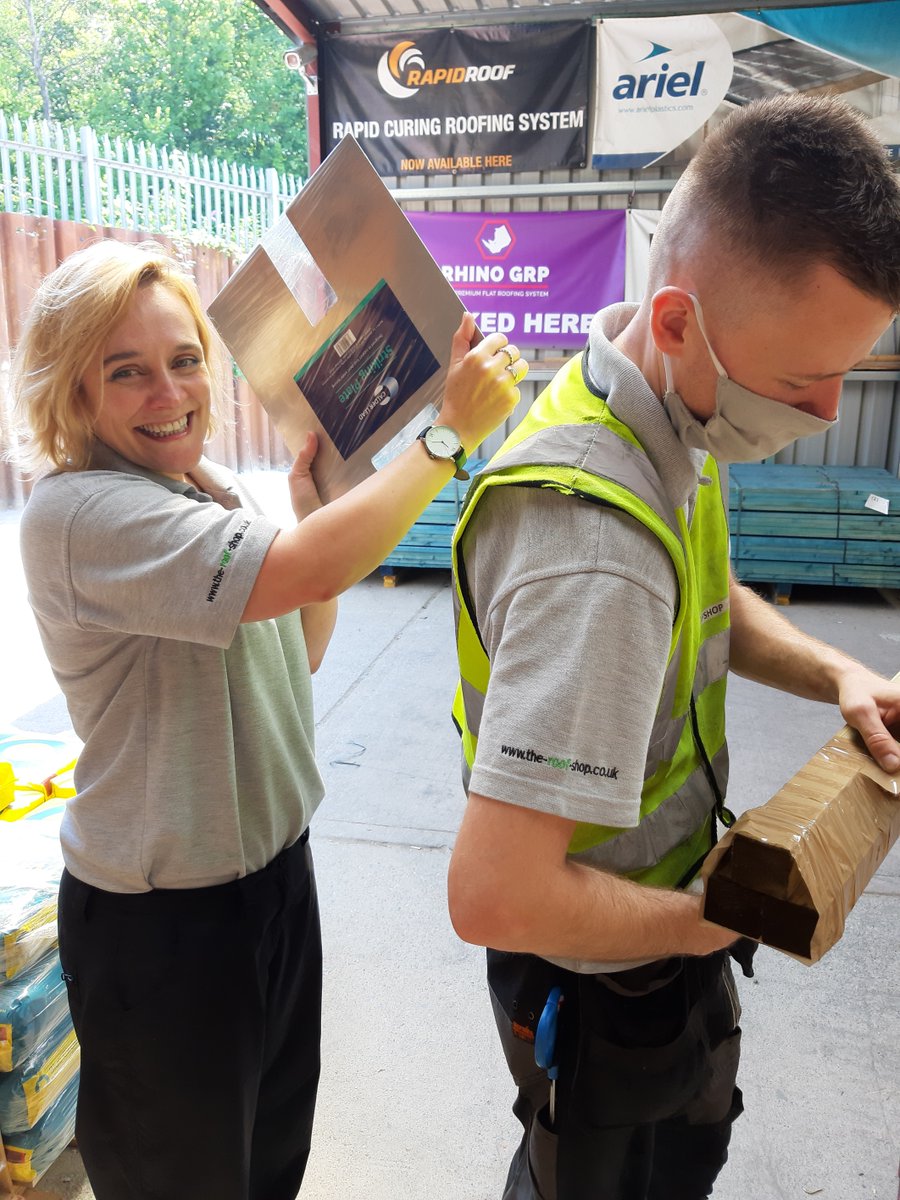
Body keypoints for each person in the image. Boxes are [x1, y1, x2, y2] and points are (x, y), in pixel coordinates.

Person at [446, 93, 900, 1200]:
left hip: (658, 938)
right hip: (603, 980)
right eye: (799, 380)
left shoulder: (653, 405)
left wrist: (839, 673)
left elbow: (703, 596)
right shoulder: (592, 552)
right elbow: (496, 893)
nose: (828, 408)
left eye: (847, 371)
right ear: (681, 320)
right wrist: (707, 922)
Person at [10, 237, 525, 1200]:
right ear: (73, 393)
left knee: (270, 1159)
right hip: (164, 924)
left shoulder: (208, 490)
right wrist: (445, 436)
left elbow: (303, 638)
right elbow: (306, 568)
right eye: (126, 371)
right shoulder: (78, 515)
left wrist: (312, 502)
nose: (169, 392)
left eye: (184, 359)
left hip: (276, 885)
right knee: (184, 1178)